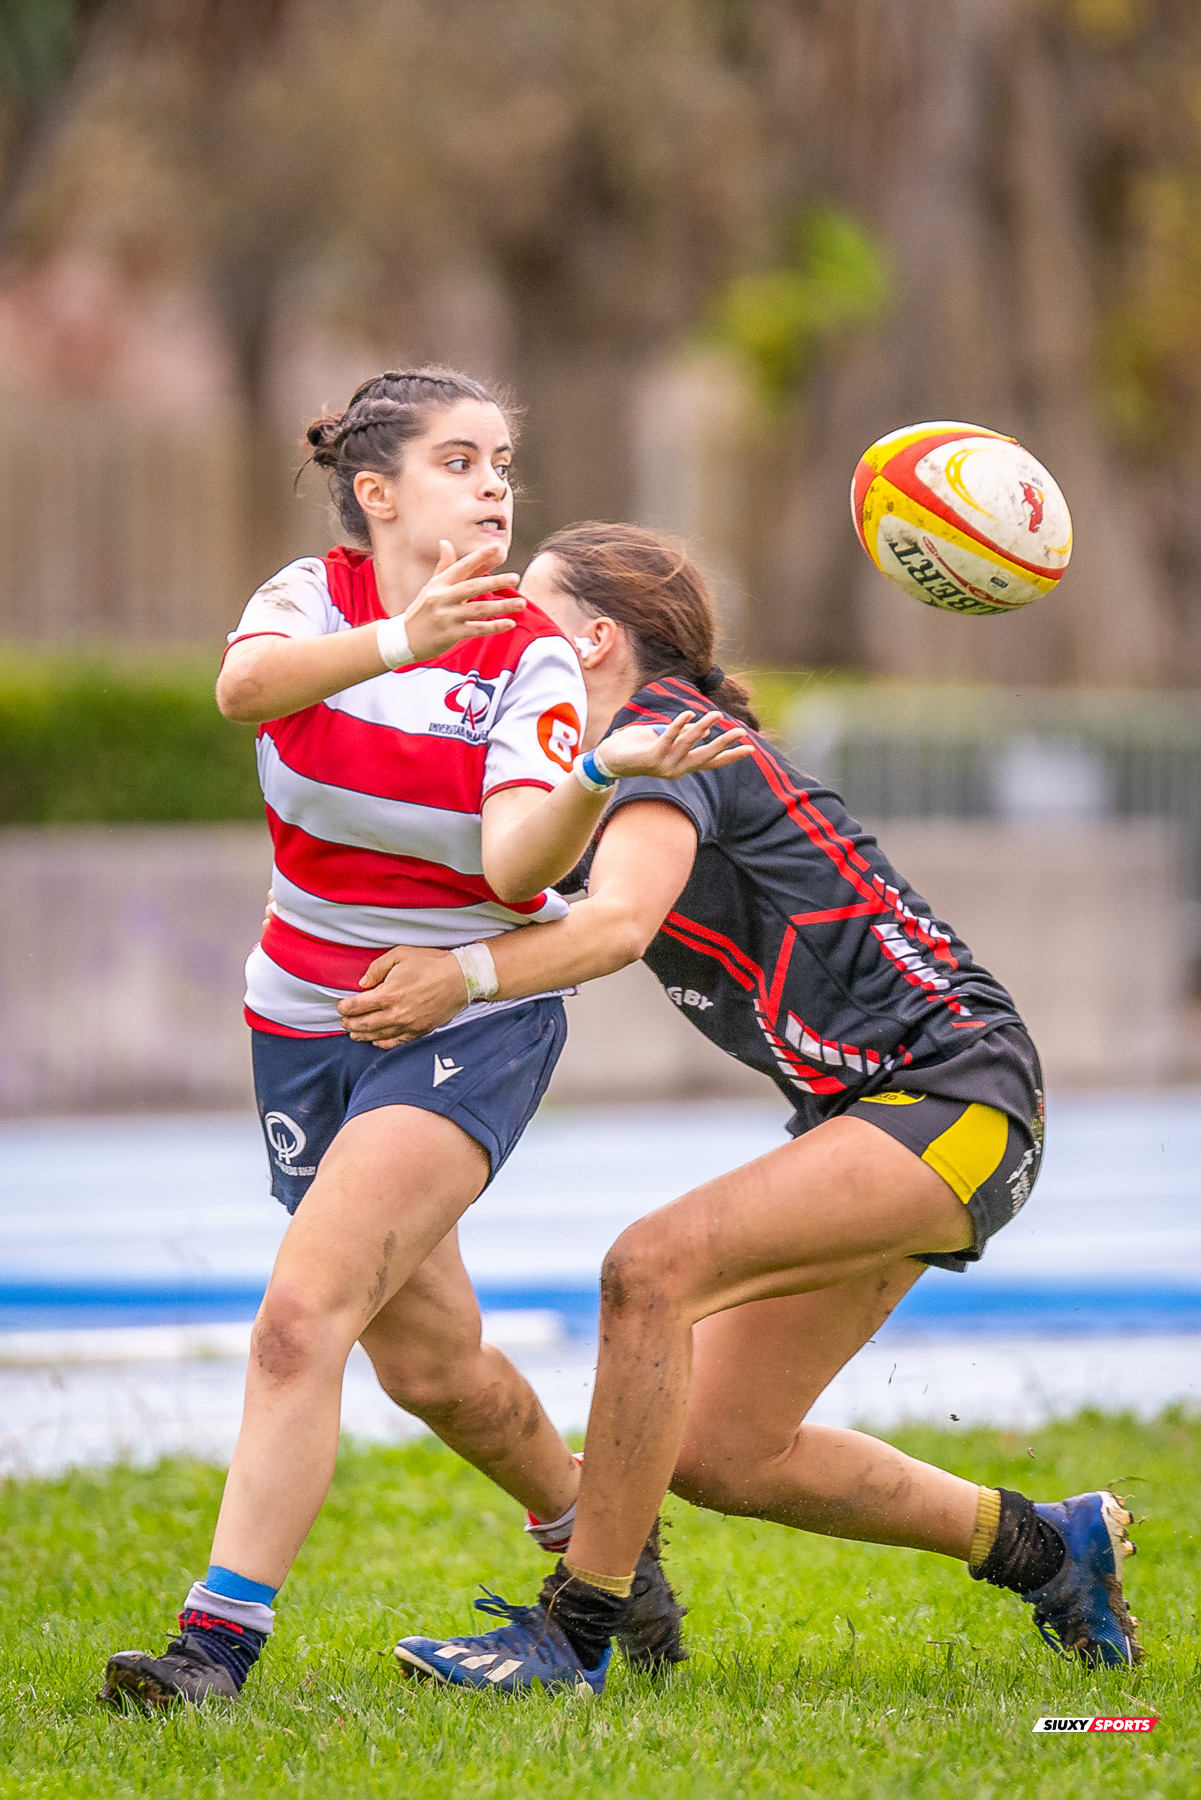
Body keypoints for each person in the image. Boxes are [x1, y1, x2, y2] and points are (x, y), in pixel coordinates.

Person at [337, 521, 1142, 1694]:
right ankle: (1042, 1549)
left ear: (594, 639)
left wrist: (452, 980)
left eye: (528, 614)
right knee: (719, 1450)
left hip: (948, 1096)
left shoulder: (664, 750)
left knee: (648, 1271)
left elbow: (609, 928)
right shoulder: (617, 764)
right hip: (889, 1112)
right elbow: (504, 869)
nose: (502, 634)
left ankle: (577, 1633)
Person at [99, 378, 748, 1711]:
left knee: (300, 1319)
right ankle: (602, 1554)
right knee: (434, 1369)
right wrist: (398, 639)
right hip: (303, 1012)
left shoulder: (532, 653)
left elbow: (516, 859)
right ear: (378, 493)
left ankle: (210, 1655)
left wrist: (592, 781)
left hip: (470, 1012)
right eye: (461, 461)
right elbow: (244, 689)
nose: (497, 487)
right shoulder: (311, 598)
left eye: (503, 461)